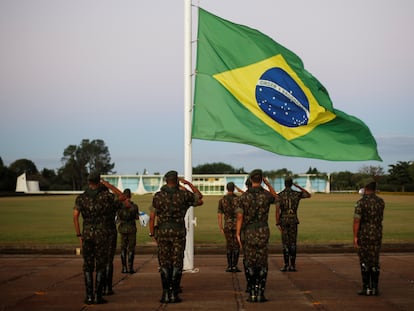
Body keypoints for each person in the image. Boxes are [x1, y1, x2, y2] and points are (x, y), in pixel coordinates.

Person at [149, 170, 203, 304]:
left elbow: (152, 217)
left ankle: (165, 293)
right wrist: (188, 184)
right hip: (178, 231)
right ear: (177, 181)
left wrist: (152, 233)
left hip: (163, 232)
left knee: (164, 263)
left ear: (166, 181)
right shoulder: (184, 195)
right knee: (177, 262)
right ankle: (174, 293)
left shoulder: (158, 196)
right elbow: (200, 198)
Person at [73, 172, 124, 305]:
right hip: (103, 234)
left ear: (88, 181)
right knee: (101, 265)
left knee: (88, 266)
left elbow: (75, 216)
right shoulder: (107, 196)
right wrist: (109, 185)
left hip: (87, 234)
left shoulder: (81, 198)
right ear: (99, 181)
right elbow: (123, 197)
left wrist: (79, 235)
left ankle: (89, 296)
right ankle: (97, 296)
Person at [236, 169, 278, 303]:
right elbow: (276, 198)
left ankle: (252, 293)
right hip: (262, 231)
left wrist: (237, 233)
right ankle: (260, 293)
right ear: (261, 180)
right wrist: (268, 184)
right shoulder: (266, 195)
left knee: (250, 262)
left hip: (248, 232)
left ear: (250, 179)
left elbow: (239, 216)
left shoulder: (243, 197)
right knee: (262, 263)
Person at [353, 178, 385, 296]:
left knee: (364, 260)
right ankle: (375, 288)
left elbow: (357, 220)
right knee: (375, 259)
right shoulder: (381, 202)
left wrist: (355, 236)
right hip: (377, 233)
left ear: (365, 188)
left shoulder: (361, 202)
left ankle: (366, 287)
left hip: (364, 233)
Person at [275, 176, 311, 272]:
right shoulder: (296, 194)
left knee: (285, 243)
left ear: (284, 184)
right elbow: (308, 195)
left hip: (283, 220)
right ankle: (293, 265)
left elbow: (277, 210)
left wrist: (277, 222)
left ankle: (286, 265)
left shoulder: (280, 195)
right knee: (293, 243)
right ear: (291, 184)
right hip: (293, 219)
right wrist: (298, 186)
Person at [217, 182, 243, 272]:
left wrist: (220, 226)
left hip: (227, 224)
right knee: (236, 246)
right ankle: (234, 266)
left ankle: (229, 266)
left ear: (227, 189)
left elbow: (219, 215)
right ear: (234, 189)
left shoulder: (222, 200)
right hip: (237, 225)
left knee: (229, 245)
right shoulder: (238, 199)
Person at [117, 188, 140, 274]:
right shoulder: (134, 206)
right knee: (131, 249)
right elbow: (137, 217)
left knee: (123, 248)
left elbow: (118, 217)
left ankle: (124, 267)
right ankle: (130, 268)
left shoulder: (119, 206)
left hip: (122, 228)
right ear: (130, 196)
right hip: (131, 228)